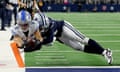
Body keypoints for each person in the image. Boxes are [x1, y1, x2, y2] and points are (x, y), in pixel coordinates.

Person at [33, 12, 113, 64]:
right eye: (41, 27)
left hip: (64, 28)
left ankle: (105, 52)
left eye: (44, 27)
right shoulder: (36, 26)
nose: (43, 29)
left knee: (83, 39)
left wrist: (38, 41)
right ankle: (104, 52)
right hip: (59, 36)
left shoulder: (51, 25)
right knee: (78, 47)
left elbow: (49, 41)